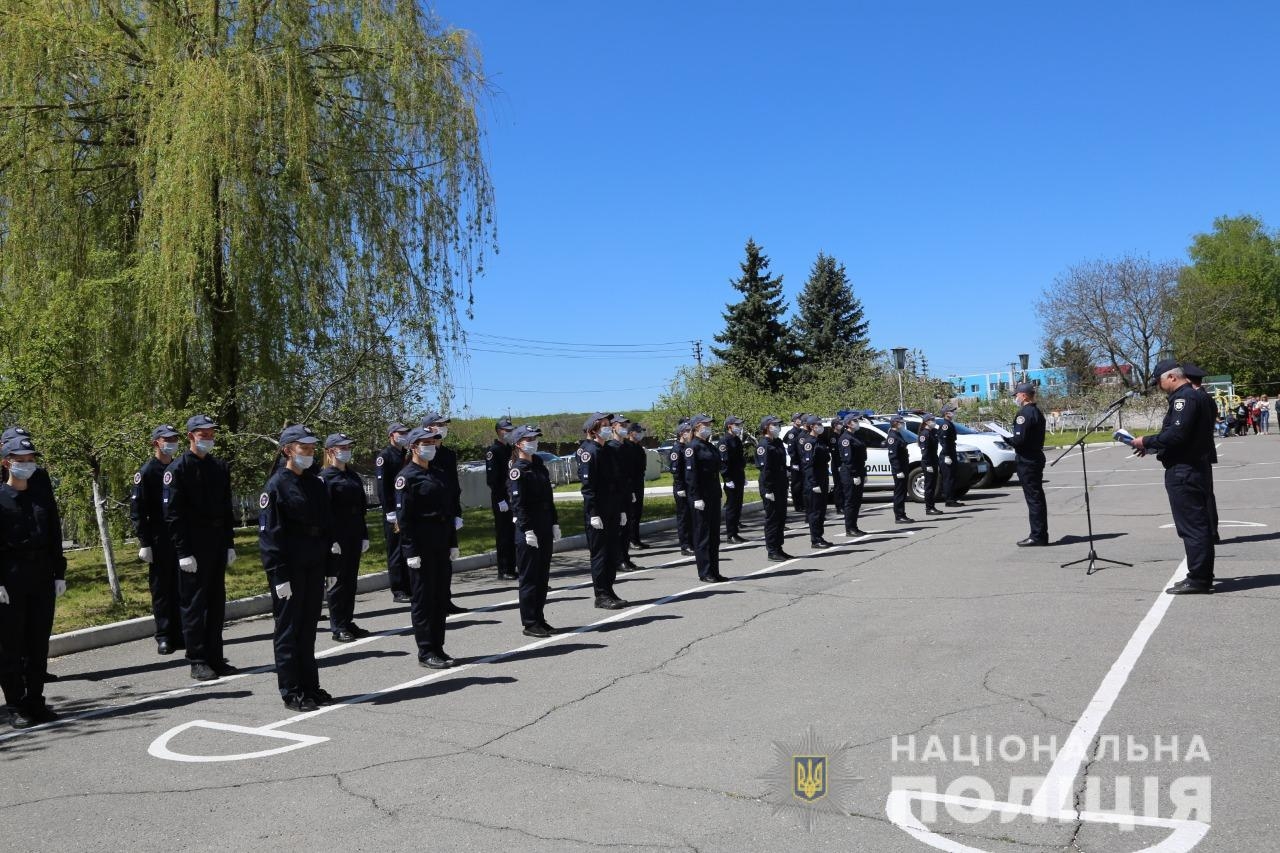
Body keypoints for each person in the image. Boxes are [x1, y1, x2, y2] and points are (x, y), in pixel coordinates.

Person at [258, 425, 336, 711]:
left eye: (312, 448)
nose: (310, 453)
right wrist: (278, 574)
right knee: (289, 630)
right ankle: (292, 691)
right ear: (288, 450)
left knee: (308, 628)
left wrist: (329, 563)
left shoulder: (315, 483)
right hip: (289, 568)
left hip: (313, 564)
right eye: (304, 448)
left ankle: (310, 687)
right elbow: (270, 536)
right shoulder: (276, 485)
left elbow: (326, 526)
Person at [1131, 360, 1216, 594]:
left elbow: (1177, 435)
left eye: (1158, 381)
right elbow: (1183, 436)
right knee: (1194, 524)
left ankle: (1199, 578)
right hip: (1192, 466)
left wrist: (1146, 441)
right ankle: (1199, 574)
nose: (1158, 386)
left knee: (1192, 526)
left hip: (1184, 469)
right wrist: (1153, 446)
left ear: (1171, 377)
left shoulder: (1184, 398)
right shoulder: (1197, 396)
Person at [164, 414, 238, 681]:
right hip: (193, 546)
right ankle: (197, 659)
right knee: (194, 605)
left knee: (216, 604)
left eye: (210, 433)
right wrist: (182, 551)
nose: (207, 438)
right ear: (190, 437)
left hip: (216, 543)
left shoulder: (219, 467)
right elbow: (173, 515)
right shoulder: (178, 470)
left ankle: (215, 657)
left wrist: (229, 543)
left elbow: (226, 508)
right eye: (202, 433)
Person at [0, 435, 67, 728]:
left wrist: (59, 573)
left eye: (30, 461)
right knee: (11, 644)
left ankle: (35, 700)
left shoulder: (40, 496)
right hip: (11, 579)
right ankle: (15, 704)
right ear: (6, 463)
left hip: (41, 575)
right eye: (20, 460)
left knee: (38, 642)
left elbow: (54, 536)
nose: (27, 465)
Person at [396, 425, 456, 667]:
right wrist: (410, 551)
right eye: (426, 444)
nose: (431, 447)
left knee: (440, 597)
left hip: (440, 541)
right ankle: (426, 650)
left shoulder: (437, 473)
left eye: (433, 443)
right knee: (423, 599)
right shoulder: (406, 477)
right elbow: (404, 519)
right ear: (413, 447)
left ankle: (438, 647)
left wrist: (452, 541)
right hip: (421, 544)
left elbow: (447, 510)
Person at [130, 425, 185, 655]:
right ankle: (164, 635)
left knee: (182, 586)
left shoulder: (179, 467)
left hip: (179, 536)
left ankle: (181, 632)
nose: (171, 442)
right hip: (159, 537)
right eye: (167, 439)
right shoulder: (147, 472)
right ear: (156, 443)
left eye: (174, 439)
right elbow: (138, 510)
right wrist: (145, 542)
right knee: (162, 589)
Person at [506, 425, 561, 637]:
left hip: (544, 523)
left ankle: (539, 618)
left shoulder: (538, 464)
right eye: (529, 438)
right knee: (529, 578)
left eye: (535, 438)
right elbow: (518, 504)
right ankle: (530, 622)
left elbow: (548, 497)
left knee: (542, 577)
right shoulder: (517, 469)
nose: (533, 442)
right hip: (528, 528)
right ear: (518, 443)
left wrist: (554, 522)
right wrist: (526, 529)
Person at [320, 433, 371, 642]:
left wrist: (364, 534)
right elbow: (323, 513)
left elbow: (361, 509)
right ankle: (338, 626)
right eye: (342, 447)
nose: (347, 450)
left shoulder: (352, 475)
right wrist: (330, 539)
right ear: (331, 451)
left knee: (350, 581)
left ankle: (348, 620)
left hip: (353, 533)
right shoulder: (324, 478)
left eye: (349, 447)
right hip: (336, 536)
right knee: (337, 582)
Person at [579, 413, 628, 608]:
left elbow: (616, 482)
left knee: (611, 552)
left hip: (613, 508)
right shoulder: (588, 451)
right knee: (600, 555)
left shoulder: (607, 450)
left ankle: (609, 589)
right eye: (605, 425)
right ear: (593, 429)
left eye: (609, 425)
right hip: (598, 511)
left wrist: (622, 509)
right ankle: (601, 595)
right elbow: (588, 487)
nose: (608, 428)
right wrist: (593, 514)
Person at [421, 413, 467, 615]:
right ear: (428, 427)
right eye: (438, 425)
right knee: (431, 564)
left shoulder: (448, 454)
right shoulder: (422, 454)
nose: (442, 428)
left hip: (448, 510)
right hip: (431, 514)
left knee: (447, 561)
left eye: (443, 425)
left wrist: (457, 512)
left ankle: (445, 599)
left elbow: (454, 485)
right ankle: (432, 602)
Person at [684, 414, 727, 580]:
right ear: (696, 427)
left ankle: (714, 570)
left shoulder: (709, 446)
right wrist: (695, 497)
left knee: (714, 535)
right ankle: (705, 572)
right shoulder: (692, 447)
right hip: (700, 497)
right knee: (703, 535)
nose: (708, 426)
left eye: (709, 424)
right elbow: (691, 475)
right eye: (705, 424)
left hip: (713, 495)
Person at [1182, 365, 1220, 544]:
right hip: (1205, 449)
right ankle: (1212, 531)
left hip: (1199, 452)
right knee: (1207, 494)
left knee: (1203, 495)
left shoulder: (1197, 398)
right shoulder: (1206, 397)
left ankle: (1210, 533)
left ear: (1188, 379)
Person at [375, 423, 412, 603]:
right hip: (393, 511)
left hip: (406, 509)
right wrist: (389, 510)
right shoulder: (385, 456)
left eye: (407, 433)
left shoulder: (406, 454)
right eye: (401, 433)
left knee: (407, 547)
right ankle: (398, 589)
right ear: (392, 435)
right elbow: (382, 488)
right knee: (396, 550)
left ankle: (409, 585)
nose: (405, 435)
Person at [1008, 382, 1048, 546]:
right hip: (1035, 457)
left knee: (1034, 499)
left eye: (1016, 395)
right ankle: (1040, 534)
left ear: (1023, 395)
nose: (1016, 397)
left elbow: (1019, 440)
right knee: (1037, 498)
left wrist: (1005, 439)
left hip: (1027, 461)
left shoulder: (1024, 413)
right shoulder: (1037, 412)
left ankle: (1037, 536)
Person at [484, 418, 517, 581]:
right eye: (506, 430)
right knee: (503, 533)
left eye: (511, 430)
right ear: (499, 431)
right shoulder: (494, 451)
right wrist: (499, 500)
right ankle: (503, 569)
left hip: (512, 497)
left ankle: (512, 566)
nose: (509, 433)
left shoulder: (511, 449)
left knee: (512, 533)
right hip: (501, 499)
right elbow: (492, 480)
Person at [755, 416, 791, 561]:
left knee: (781, 517)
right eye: (774, 425)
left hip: (781, 484)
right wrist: (768, 489)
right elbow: (765, 470)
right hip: (770, 486)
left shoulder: (777, 442)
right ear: (767, 427)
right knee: (772, 519)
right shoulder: (763, 445)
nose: (778, 427)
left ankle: (779, 547)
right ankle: (772, 550)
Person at [608, 415, 640, 570]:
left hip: (627, 490)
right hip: (615, 492)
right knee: (619, 528)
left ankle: (625, 557)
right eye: (621, 425)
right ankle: (618, 559)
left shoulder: (628, 446)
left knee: (626, 526)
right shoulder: (610, 448)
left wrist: (631, 490)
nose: (624, 427)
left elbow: (631, 471)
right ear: (613, 426)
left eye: (626, 425)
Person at [799, 414, 834, 548]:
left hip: (822, 478)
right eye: (818, 425)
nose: (821, 427)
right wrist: (813, 483)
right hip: (814, 481)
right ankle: (815, 539)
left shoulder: (819, 441)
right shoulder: (809, 442)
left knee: (821, 511)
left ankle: (819, 536)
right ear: (812, 426)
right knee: (815, 512)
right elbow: (808, 465)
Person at [836, 414, 868, 536]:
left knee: (856, 501)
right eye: (855, 421)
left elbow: (861, 457)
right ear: (848, 423)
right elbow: (847, 459)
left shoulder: (855, 436)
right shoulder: (845, 439)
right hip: (850, 473)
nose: (857, 422)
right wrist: (854, 475)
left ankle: (854, 526)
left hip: (858, 470)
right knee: (850, 501)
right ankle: (849, 528)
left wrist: (863, 473)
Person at [719, 416, 747, 543]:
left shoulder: (736, 440)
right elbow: (723, 463)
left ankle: (735, 531)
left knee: (738, 506)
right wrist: (727, 478)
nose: (739, 427)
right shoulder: (724, 441)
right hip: (731, 478)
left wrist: (743, 475)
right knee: (732, 507)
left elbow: (740, 460)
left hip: (739, 476)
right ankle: (730, 534)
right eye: (737, 425)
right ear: (730, 425)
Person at [669, 420, 694, 556]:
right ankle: (685, 545)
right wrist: (679, 487)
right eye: (687, 431)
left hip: (689, 486)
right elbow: (675, 470)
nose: (690, 433)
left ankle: (692, 542)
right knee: (684, 517)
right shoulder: (677, 449)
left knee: (691, 517)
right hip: (681, 487)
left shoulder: (689, 447)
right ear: (681, 433)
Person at [625, 422, 649, 550]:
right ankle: (631, 540)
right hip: (631, 484)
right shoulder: (626, 447)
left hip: (639, 482)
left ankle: (636, 538)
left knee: (637, 513)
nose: (640, 433)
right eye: (638, 431)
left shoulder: (638, 447)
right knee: (631, 514)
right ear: (631, 432)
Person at [886, 415, 914, 524]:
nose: (902, 424)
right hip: (899, 469)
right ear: (896, 423)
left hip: (903, 467)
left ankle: (902, 514)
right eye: (901, 423)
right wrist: (898, 471)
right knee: (899, 492)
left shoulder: (897, 434)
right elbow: (893, 456)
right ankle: (899, 515)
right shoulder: (892, 436)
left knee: (902, 492)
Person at [917, 414, 944, 516]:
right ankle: (929, 508)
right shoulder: (924, 434)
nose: (934, 421)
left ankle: (932, 506)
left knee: (933, 486)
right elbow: (925, 451)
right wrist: (928, 464)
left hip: (933, 461)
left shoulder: (932, 432)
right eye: (932, 420)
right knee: (929, 486)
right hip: (928, 462)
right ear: (926, 422)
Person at [939, 404, 964, 507]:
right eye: (951, 411)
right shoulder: (945, 425)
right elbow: (944, 442)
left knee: (952, 477)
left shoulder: (949, 424)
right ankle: (949, 500)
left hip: (951, 452)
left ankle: (952, 498)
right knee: (948, 478)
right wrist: (946, 456)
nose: (953, 412)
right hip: (947, 454)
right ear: (946, 413)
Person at [785, 413, 806, 513]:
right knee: (796, 485)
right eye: (798, 418)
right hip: (796, 462)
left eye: (801, 418)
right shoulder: (792, 433)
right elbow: (791, 449)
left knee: (802, 484)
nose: (800, 420)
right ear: (794, 420)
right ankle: (798, 505)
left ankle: (802, 503)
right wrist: (795, 462)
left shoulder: (801, 431)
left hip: (802, 461)